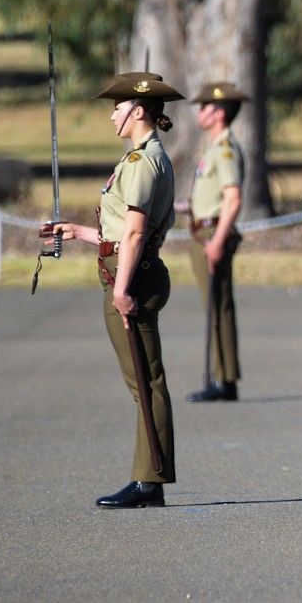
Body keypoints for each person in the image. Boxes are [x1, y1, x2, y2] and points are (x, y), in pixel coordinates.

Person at [43, 72, 181, 507]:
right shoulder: (140, 157)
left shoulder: (143, 161)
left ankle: (149, 480)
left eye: (118, 107)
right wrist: (79, 232)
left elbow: (137, 232)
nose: (112, 114)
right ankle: (149, 476)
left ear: (138, 111)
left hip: (133, 276)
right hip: (130, 269)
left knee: (146, 380)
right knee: (143, 379)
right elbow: (121, 229)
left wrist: (121, 289)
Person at [185, 82, 247, 402]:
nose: (200, 112)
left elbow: (233, 200)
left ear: (218, 113)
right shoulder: (213, 147)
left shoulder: (224, 149)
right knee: (214, 305)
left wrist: (217, 241)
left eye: (205, 107)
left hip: (212, 234)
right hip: (204, 230)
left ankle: (224, 379)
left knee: (218, 306)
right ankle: (223, 376)